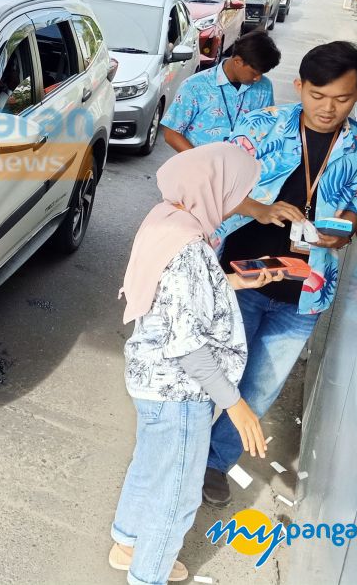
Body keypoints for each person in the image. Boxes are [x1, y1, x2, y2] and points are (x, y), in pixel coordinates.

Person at [201, 41, 357, 507]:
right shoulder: (263, 127)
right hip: (238, 276)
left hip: (304, 292)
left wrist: (340, 234)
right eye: (317, 96)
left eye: (340, 99)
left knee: (259, 386)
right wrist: (258, 208)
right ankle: (181, 450)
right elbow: (210, 185)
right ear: (299, 87)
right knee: (208, 372)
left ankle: (214, 464)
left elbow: (355, 213)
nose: (327, 108)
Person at [111, 143, 278, 585]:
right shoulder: (190, 247)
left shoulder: (167, 219)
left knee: (150, 463)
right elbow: (188, 343)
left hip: (150, 377)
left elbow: (176, 292)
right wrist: (235, 403)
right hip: (180, 391)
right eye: (234, 192)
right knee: (178, 493)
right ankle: (150, 573)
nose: (238, 202)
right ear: (212, 188)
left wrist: (234, 282)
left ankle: (127, 543)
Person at [161, 31, 281, 152]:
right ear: (238, 61)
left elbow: (267, 127)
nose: (258, 78)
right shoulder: (194, 86)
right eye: (255, 73)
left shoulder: (264, 87)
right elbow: (171, 133)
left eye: (262, 74)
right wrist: (202, 162)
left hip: (243, 167)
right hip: (201, 167)